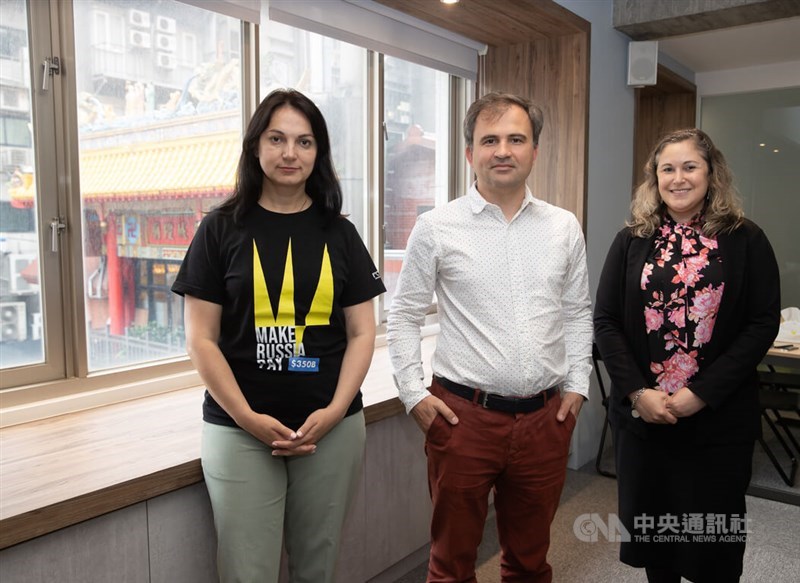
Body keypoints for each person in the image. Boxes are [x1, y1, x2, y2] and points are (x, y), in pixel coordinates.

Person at [171, 88, 385, 583]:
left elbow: (362, 331)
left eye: (305, 142)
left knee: (318, 564)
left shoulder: (340, 233)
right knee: (247, 571)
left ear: (319, 153)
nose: (291, 153)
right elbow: (200, 338)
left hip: (330, 426)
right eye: (278, 139)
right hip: (237, 428)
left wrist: (334, 412)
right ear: (255, 147)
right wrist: (245, 416)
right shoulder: (219, 228)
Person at [387, 92, 593, 582]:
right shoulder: (436, 228)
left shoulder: (563, 227)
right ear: (469, 154)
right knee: (451, 562)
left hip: (546, 420)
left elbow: (577, 312)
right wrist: (415, 395)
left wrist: (579, 386)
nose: (503, 150)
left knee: (529, 560)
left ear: (534, 151)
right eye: (490, 140)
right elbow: (404, 316)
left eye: (516, 139)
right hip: (463, 420)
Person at [593, 128, 780, 583]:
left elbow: (761, 324)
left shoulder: (746, 239)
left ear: (711, 174)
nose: (678, 178)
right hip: (648, 422)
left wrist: (702, 393)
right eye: (667, 169)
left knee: (712, 544)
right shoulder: (632, 240)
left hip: (717, 420)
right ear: (654, 178)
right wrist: (638, 393)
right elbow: (606, 321)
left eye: (690, 166)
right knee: (658, 544)